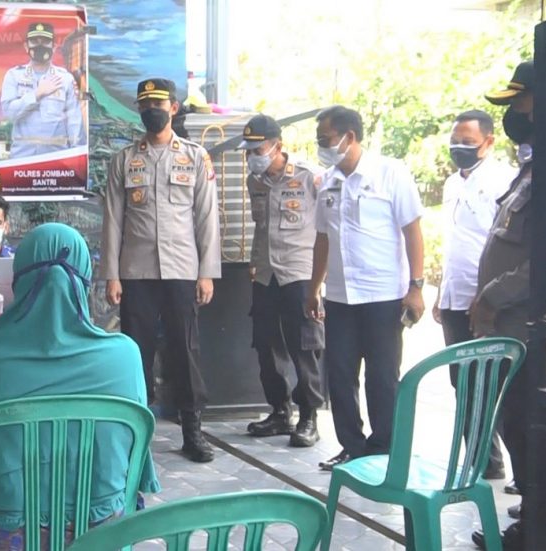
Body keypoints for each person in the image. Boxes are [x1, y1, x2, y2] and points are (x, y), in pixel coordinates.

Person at [0, 223, 160, 550]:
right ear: (86, 282)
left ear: (18, 279)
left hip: (4, 532)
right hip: (98, 532)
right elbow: (135, 453)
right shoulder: (125, 354)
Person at [101, 77, 220, 463]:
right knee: (136, 351)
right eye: (145, 104)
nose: (152, 110)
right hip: (136, 272)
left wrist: (207, 272)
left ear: (173, 107)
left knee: (185, 350)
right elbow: (113, 222)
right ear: (139, 109)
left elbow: (206, 218)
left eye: (159, 103)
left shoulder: (195, 157)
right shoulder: (124, 160)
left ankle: (192, 430)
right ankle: (137, 432)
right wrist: (112, 275)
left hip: (183, 270)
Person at [305, 105, 425, 471]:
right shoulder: (327, 181)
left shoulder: (391, 173)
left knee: (382, 375)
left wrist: (416, 286)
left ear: (349, 137)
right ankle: (352, 447)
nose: (321, 146)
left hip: (383, 295)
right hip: (340, 297)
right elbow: (323, 239)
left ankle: (384, 447)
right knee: (339, 374)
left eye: (325, 139)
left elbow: (413, 231)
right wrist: (314, 288)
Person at [469, 60, 541, 551]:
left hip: (529, 324)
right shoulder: (535, 166)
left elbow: (545, 262)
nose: (514, 113)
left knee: (527, 422)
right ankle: (536, 514)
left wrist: (492, 297)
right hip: (511, 322)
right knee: (517, 421)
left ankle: (536, 528)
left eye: (521, 101)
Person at [432, 109, 516, 481]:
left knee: (494, 385)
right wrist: (440, 293)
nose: (459, 148)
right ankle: (482, 460)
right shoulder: (453, 183)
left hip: (487, 301)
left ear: (489, 142)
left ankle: (513, 468)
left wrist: (488, 297)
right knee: (462, 383)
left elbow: (501, 248)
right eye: (455, 142)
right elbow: (456, 243)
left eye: (468, 143)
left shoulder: (504, 181)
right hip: (454, 296)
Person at [239, 114, 325, 447]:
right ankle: (279, 411)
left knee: (304, 347)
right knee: (265, 345)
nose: (252, 156)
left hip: (299, 272)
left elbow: (326, 232)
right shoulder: (254, 182)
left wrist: (320, 282)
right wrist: (253, 262)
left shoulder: (309, 178)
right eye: (248, 151)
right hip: (264, 274)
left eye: (258, 149)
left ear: (278, 146)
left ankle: (309, 417)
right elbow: (261, 228)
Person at [1, 22, 83, 158]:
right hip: (22, 160)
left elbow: (74, 121)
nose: (40, 46)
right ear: (26, 46)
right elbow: (9, 114)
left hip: (57, 160)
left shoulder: (65, 79)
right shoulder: (13, 75)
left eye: (45, 41)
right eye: (34, 41)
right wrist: (37, 94)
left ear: (54, 46)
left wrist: (76, 156)